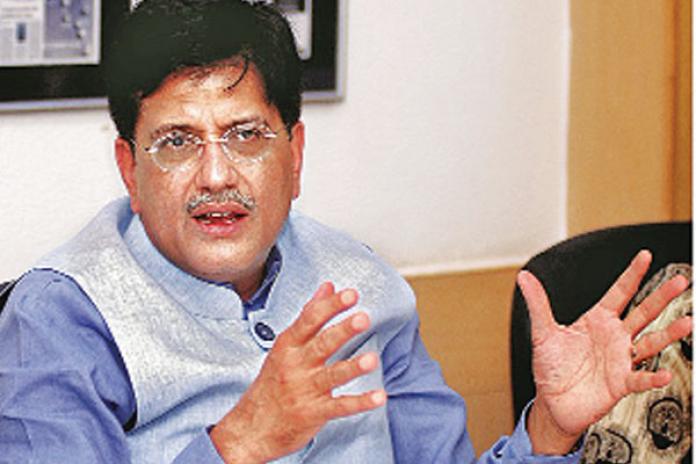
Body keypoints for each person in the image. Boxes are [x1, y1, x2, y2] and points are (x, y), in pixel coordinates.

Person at [0, 1, 690, 463]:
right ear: (129, 167)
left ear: (295, 156)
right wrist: (239, 442)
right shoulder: (59, 315)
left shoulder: (362, 282)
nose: (215, 175)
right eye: (177, 141)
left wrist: (549, 429)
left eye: (247, 135)